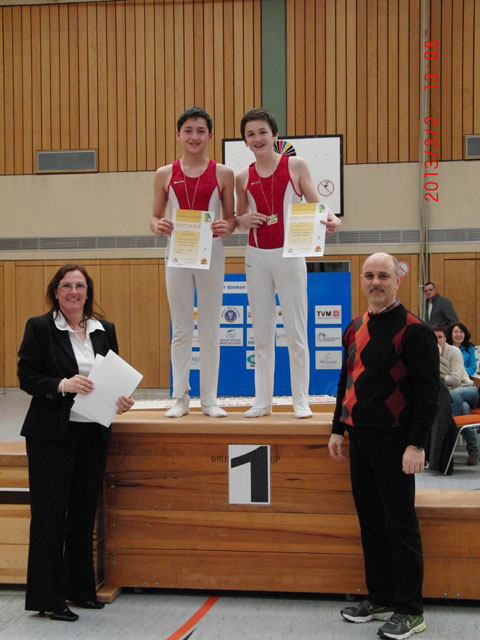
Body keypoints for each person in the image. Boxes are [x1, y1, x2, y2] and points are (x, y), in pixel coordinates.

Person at [328, 253, 439, 640]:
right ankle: (380, 598)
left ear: (397, 280)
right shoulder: (355, 326)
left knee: (400, 526)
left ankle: (410, 610)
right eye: (369, 275)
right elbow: (346, 380)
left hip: (396, 442)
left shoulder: (415, 330)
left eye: (383, 276)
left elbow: (428, 394)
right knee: (371, 524)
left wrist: (416, 444)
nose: (376, 282)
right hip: (359, 439)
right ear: (362, 280)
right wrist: (337, 429)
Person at [17, 264, 134, 622]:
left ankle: (80, 589)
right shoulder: (40, 327)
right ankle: (48, 598)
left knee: (83, 516)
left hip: (92, 433)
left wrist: (121, 400)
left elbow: (113, 376)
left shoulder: (104, 330)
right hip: (52, 435)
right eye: (66, 285)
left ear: (88, 292)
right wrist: (62, 385)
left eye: (79, 286)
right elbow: (26, 376)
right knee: (50, 517)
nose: (73, 292)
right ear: (56, 292)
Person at [235, 107, 341, 419]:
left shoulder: (295, 165)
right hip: (256, 256)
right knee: (261, 333)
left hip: (290, 254)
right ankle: (262, 401)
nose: (257, 138)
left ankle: (300, 401)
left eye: (262, 132)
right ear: (245, 141)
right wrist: (243, 219)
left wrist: (333, 219)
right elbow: (238, 218)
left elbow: (317, 204)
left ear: (275, 135)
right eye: (251, 134)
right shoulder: (242, 176)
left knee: (296, 331)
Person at [151, 106, 235, 418]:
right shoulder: (164, 174)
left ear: (210, 136)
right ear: (178, 134)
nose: (194, 136)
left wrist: (227, 226)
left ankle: (210, 398)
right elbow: (154, 217)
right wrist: (158, 225)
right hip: (178, 253)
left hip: (211, 252)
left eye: (201, 131)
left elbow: (231, 219)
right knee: (182, 328)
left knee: (210, 327)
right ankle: (180, 397)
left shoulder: (223, 173)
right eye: (188, 130)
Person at [434, 325, 479, 465]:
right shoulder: (429, 353)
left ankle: (451, 434)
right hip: (449, 394)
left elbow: (455, 380)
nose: (437, 340)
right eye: (434, 338)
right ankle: (474, 452)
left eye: (440, 337)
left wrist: (439, 375)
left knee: (457, 394)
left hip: (467, 388)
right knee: (464, 407)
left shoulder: (454, 351)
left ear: (445, 338)